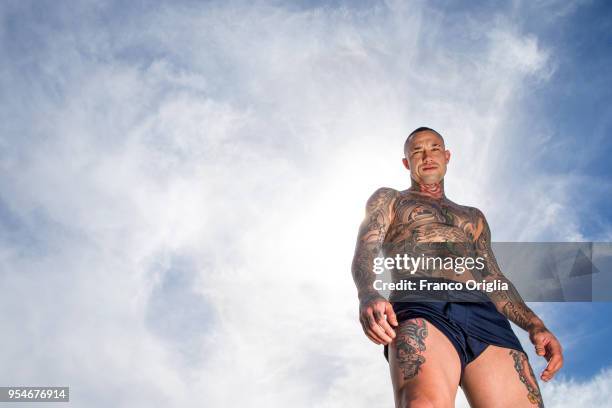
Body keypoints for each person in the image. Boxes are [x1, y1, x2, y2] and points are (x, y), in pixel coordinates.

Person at [351, 127, 563, 407]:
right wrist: (368, 294)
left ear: (447, 156)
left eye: (434, 148)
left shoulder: (473, 217)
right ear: (406, 162)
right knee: (423, 403)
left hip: (482, 311)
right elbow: (367, 249)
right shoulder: (390, 200)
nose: (427, 155)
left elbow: (492, 277)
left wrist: (536, 325)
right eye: (417, 150)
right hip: (421, 301)